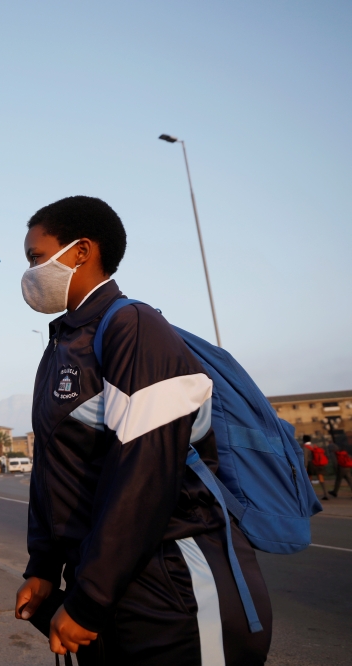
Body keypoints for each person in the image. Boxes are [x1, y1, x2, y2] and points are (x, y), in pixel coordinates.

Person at [13, 196, 272, 664]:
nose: (29, 272)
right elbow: (54, 465)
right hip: (107, 584)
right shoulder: (62, 345)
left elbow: (146, 475)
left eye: (36, 257)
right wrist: (45, 566)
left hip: (170, 586)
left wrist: (89, 599)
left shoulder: (133, 327)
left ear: (81, 251)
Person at [305, 435, 330, 501]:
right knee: (321, 479)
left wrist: (305, 466)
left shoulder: (305, 448)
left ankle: (312, 496)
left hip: (311, 464)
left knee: (309, 480)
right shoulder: (315, 446)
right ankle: (325, 494)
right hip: (318, 464)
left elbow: (305, 458)